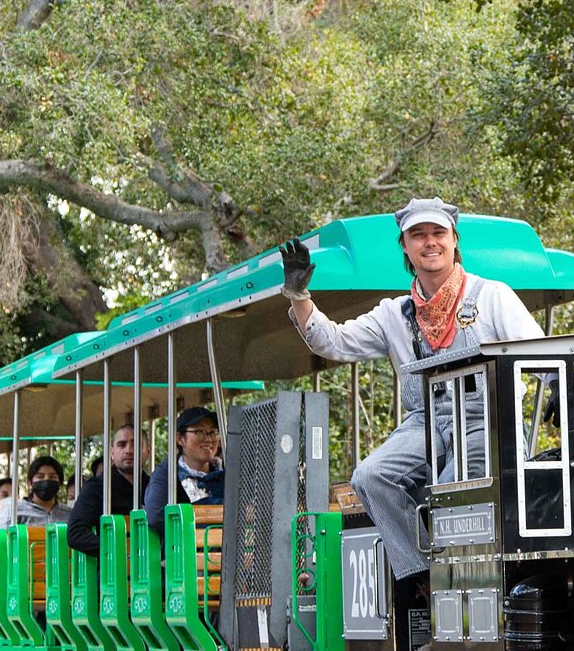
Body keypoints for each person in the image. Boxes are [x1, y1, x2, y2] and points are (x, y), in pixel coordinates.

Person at [281, 196, 543, 591]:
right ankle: (424, 583)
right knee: (369, 477)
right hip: (426, 423)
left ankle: (476, 587)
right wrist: (299, 297)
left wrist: (555, 391)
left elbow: (539, 353)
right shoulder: (394, 314)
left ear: (454, 240)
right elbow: (332, 343)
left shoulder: (492, 295)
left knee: (452, 490)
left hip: (487, 419)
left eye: (438, 233)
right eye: (418, 235)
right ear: (405, 246)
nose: (429, 242)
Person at [68, 423, 150, 558]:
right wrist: (115, 549)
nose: (129, 450)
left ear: (147, 451)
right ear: (112, 453)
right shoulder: (97, 487)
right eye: (121, 445)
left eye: (135, 444)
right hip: (113, 570)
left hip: (153, 567)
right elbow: (75, 534)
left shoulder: (155, 488)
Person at [143, 408, 225, 542]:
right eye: (200, 432)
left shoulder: (226, 472)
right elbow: (157, 517)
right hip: (183, 554)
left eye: (213, 432)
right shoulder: (167, 473)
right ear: (180, 439)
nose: (209, 439)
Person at [0, 456, 73, 528]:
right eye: (40, 477)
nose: (46, 480)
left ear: (60, 483)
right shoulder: (13, 511)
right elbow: (2, 540)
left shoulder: (70, 514)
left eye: (52, 477)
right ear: (30, 483)